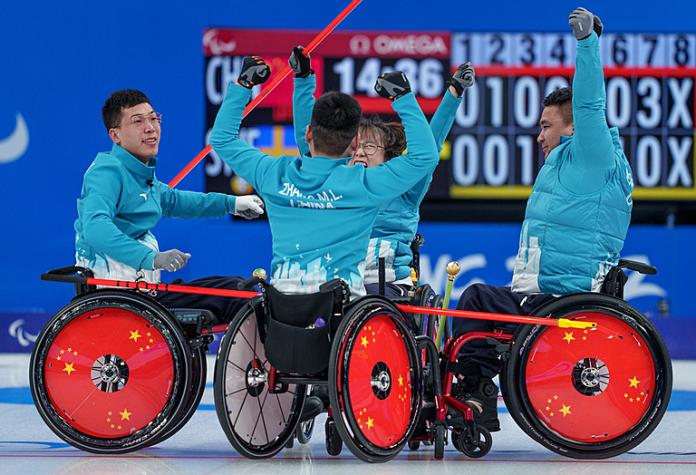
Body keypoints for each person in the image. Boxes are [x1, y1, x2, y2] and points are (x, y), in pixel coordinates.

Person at [451, 7, 634, 432]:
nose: (538, 135)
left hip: (560, 299)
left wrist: (587, 45)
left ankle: (476, 393)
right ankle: (476, 391)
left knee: (476, 299)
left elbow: (589, 103)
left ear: (572, 129)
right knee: (480, 299)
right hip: (546, 290)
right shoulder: (572, 164)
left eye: (546, 126)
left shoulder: (594, 154)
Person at [209, 56, 439, 298]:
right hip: (342, 317)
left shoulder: (273, 174)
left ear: (309, 134)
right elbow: (425, 157)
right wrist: (403, 97)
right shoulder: (364, 185)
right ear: (355, 143)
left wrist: (246, 83)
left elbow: (222, 138)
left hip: (282, 314)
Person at [289, 46, 476, 297]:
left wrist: (454, 93)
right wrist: (302, 79)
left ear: (387, 156)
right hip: (335, 280)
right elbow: (309, 143)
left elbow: (431, 144)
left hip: (383, 286)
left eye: (370, 145)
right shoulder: (336, 181)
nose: (360, 152)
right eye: (356, 145)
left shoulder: (403, 187)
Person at [74, 89, 265, 322]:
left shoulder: (140, 174)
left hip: (143, 293)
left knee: (237, 286)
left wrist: (231, 203)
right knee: (233, 294)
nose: (150, 127)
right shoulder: (107, 172)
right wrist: (152, 258)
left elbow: (175, 201)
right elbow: (95, 228)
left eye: (154, 118)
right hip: (122, 301)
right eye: (138, 121)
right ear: (115, 135)